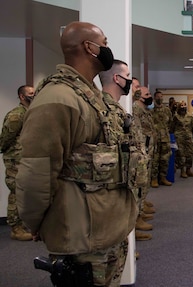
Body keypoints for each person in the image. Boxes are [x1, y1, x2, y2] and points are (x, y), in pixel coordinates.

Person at [15, 21, 137, 286]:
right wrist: (35, 222)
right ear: (89, 47)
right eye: (104, 43)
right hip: (83, 239)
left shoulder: (90, 96)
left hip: (106, 232)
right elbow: (36, 173)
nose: (107, 49)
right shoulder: (58, 98)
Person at [99, 60, 153, 241]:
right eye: (129, 78)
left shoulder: (118, 109)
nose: (133, 85)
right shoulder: (103, 110)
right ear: (117, 78)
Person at [0, 85, 34, 241]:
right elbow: (5, 139)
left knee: (26, 193)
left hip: (27, 160)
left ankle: (23, 224)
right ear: (22, 96)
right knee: (16, 193)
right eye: (30, 94)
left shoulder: (31, 113)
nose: (33, 96)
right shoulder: (16, 115)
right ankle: (15, 228)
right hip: (15, 161)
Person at [132, 85, 157, 241]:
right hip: (141, 152)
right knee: (138, 187)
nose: (150, 96)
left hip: (147, 151)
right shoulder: (135, 111)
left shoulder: (145, 111)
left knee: (143, 184)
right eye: (147, 94)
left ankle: (140, 212)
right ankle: (136, 219)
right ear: (140, 96)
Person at [151, 90, 173, 187]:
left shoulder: (167, 110)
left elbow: (170, 123)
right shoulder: (151, 110)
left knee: (165, 159)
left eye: (161, 96)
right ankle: (154, 179)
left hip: (165, 138)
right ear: (155, 98)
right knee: (155, 160)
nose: (160, 98)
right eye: (158, 97)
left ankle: (163, 178)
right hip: (155, 139)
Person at [171, 101, 193, 178]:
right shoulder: (175, 116)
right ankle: (182, 171)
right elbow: (172, 127)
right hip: (179, 138)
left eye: (184, 105)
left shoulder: (190, 116)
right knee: (181, 154)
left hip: (189, 137)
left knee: (191, 153)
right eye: (181, 105)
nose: (183, 107)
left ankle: (188, 170)